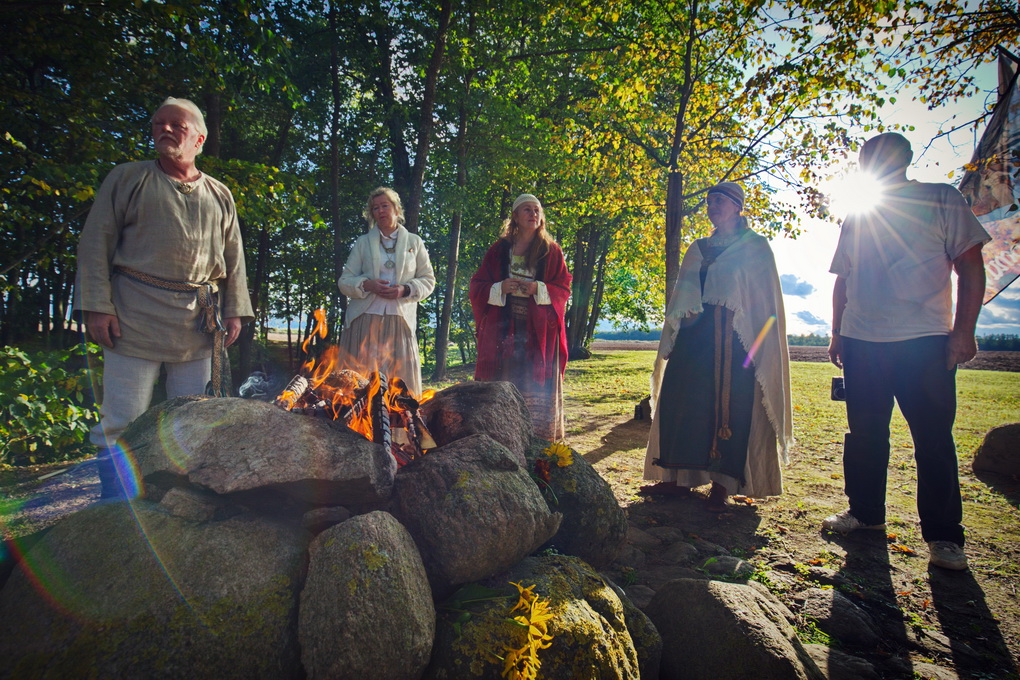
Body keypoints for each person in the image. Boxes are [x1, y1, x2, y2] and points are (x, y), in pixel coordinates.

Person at [823, 133, 989, 571]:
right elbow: (843, 278)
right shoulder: (856, 215)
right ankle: (865, 515)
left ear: (904, 158)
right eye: (867, 158)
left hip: (926, 343)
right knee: (865, 436)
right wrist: (837, 334)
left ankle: (944, 537)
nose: (874, 162)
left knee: (933, 441)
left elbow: (971, 264)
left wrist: (963, 332)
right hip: (863, 343)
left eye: (882, 155)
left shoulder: (942, 199)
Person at [74, 97, 254, 499]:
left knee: (191, 417)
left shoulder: (220, 194)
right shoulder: (127, 179)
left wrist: (236, 310)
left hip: (198, 323)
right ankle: (116, 503)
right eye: (158, 124)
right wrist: (96, 306)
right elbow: (95, 242)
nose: (165, 130)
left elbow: (234, 257)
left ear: (200, 139)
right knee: (124, 416)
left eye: (177, 125)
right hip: (133, 315)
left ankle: (179, 499)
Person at [642, 182, 792, 512]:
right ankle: (676, 478)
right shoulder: (698, 247)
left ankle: (723, 484)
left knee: (728, 406)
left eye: (719, 201)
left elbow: (763, 301)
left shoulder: (755, 247)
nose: (712, 206)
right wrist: (673, 333)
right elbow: (682, 295)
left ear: (738, 206)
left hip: (735, 341)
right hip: (695, 338)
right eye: (709, 202)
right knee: (682, 402)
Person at [469, 194, 572, 441]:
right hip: (505, 331)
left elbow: (564, 288)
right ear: (515, 216)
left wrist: (539, 289)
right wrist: (500, 288)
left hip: (540, 332)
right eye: (527, 209)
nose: (533, 214)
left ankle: (540, 441)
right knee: (505, 379)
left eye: (537, 210)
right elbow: (477, 286)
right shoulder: (499, 250)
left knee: (536, 384)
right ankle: (502, 437)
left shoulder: (551, 251)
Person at [337, 187, 435, 396]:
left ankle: (399, 429)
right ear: (371, 214)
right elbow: (344, 282)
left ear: (396, 209)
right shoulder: (363, 243)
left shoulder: (414, 242)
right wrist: (367, 285)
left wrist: (405, 289)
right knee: (361, 384)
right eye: (375, 208)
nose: (381, 211)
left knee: (398, 387)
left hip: (399, 321)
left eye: (385, 205)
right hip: (364, 320)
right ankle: (355, 428)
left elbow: (428, 281)